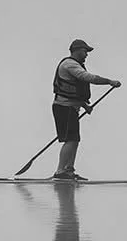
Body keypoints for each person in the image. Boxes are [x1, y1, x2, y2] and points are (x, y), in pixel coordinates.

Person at [50, 39, 120, 180]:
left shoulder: (76, 65)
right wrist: (109, 81)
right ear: (76, 50)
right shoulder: (69, 64)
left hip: (71, 107)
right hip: (64, 107)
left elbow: (74, 89)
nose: (87, 54)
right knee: (70, 139)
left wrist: (84, 105)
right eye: (85, 51)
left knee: (74, 139)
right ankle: (60, 172)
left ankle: (68, 170)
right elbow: (87, 78)